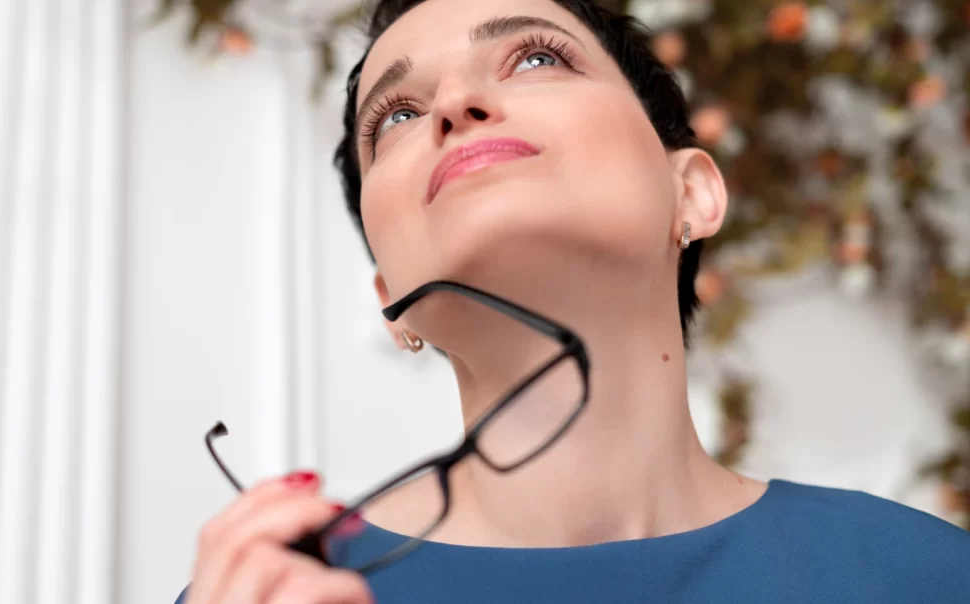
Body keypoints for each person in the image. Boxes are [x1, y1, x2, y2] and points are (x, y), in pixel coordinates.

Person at [176, 0, 970, 602]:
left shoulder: (924, 575)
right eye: (400, 116)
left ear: (688, 192)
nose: (453, 104)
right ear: (393, 302)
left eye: (534, 59)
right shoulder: (271, 589)